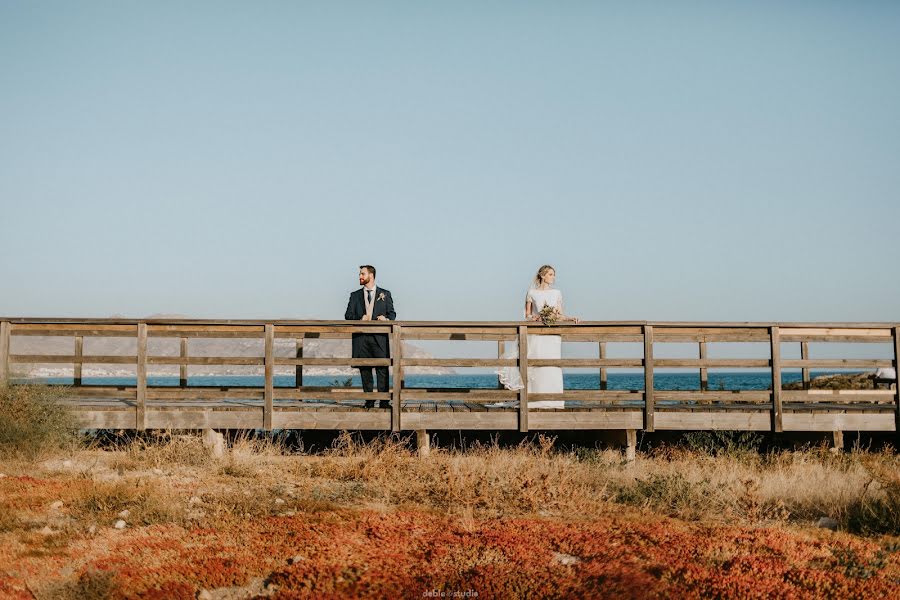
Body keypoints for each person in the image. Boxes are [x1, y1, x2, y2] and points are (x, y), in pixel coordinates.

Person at [496, 265, 578, 408]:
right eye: (551, 274)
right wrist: (534, 317)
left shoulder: (557, 293)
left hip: (552, 335)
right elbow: (526, 315)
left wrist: (570, 318)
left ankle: (554, 400)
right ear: (542, 275)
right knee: (536, 365)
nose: (553, 277)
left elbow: (559, 314)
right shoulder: (532, 292)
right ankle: (534, 398)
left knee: (552, 365)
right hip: (537, 334)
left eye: (554, 274)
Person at [344, 265, 396, 408]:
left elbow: (392, 314)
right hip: (361, 339)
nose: (359, 276)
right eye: (360, 274)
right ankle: (369, 400)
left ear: (371, 276)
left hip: (379, 338)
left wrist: (386, 319)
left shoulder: (385, 294)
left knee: (382, 370)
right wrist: (360, 318)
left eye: (362, 274)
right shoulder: (354, 295)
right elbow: (348, 315)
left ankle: (384, 401)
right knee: (365, 370)